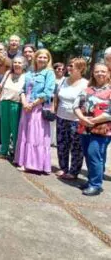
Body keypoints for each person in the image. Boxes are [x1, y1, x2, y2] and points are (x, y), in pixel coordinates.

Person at [14, 49, 55, 174]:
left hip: (38, 107)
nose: (42, 59)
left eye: (45, 58)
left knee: (35, 135)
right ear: (35, 58)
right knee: (25, 133)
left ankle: (33, 163)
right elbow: (22, 90)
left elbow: (48, 93)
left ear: (48, 60)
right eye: (40, 57)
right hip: (26, 106)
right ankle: (22, 160)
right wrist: (24, 102)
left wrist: (32, 104)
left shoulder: (49, 73)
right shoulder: (30, 72)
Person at [74, 64, 111, 196]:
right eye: (97, 71)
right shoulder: (87, 90)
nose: (100, 73)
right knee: (88, 155)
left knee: (95, 155)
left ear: (108, 73)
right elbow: (76, 106)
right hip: (85, 128)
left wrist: (91, 121)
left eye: (103, 71)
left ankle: (96, 185)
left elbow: (109, 113)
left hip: (102, 129)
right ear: (93, 73)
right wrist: (82, 118)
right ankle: (91, 180)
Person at [54, 58, 88, 180]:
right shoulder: (63, 80)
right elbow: (56, 96)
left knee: (76, 147)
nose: (68, 68)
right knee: (62, 144)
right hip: (61, 117)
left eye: (71, 66)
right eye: (68, 66)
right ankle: (63, 168)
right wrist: (54, 110)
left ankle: (74, 171)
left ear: (80, 69)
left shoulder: (85, 84)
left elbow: (85, 104)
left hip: (76, 120)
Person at [0, 56, 26, 159]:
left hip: (16, 104)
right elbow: (1, 89)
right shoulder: (7, 74)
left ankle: (16, 154)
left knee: (15, 130)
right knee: (4, 128)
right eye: (15, 62)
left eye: (19, 62)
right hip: (4, 103)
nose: (16, 64)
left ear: (23, 65)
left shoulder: (26, 76)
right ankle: (3, 152)